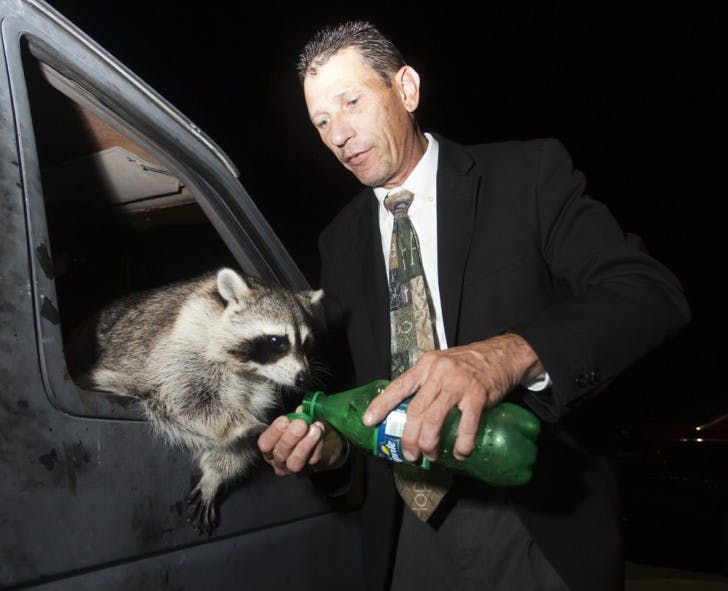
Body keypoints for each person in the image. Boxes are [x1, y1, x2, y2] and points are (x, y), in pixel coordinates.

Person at [257, 20, 691, 591]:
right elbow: (358, 399)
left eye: (351, 102)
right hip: (408, 540)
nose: (339, 133)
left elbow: (649, 293)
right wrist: (330, 450)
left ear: (406, 89)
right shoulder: (337, 243)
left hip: (533, 520)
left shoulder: (528, 175)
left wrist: (508, 355)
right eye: (321, 121)